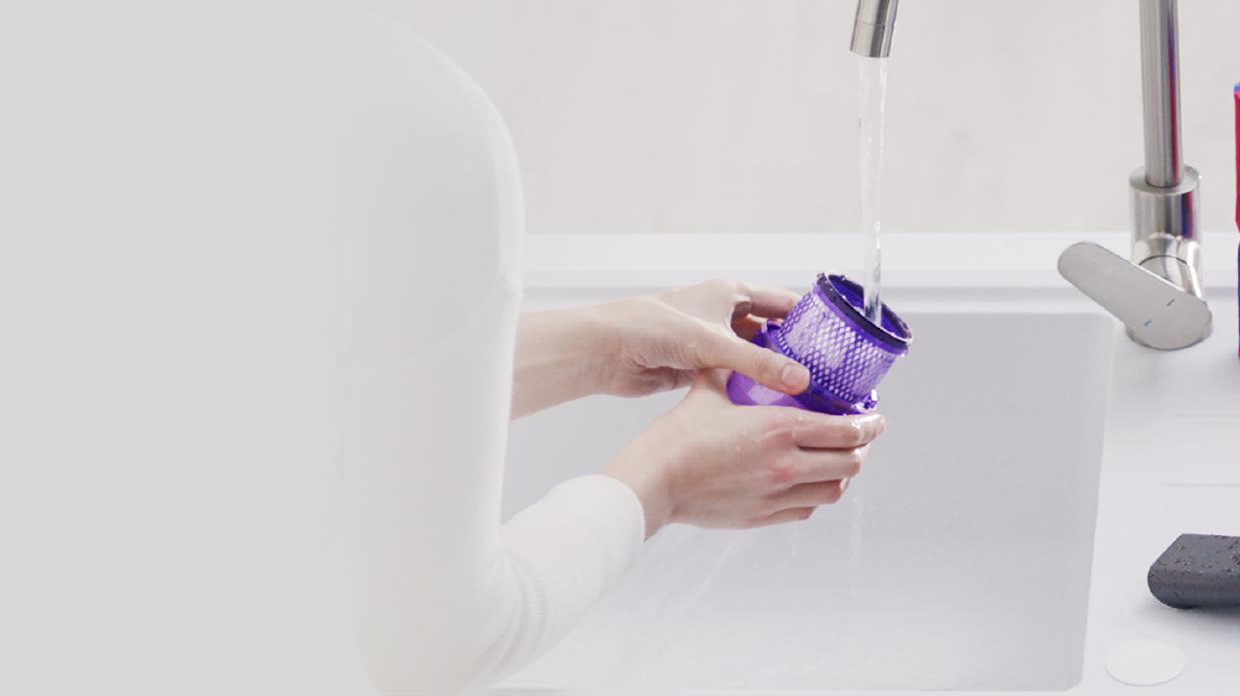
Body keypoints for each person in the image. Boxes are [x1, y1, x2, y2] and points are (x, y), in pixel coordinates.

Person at [345, 18, 885, 695]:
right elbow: (438, 647)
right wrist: (666, 480)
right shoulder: (413, 138)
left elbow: (315, 402)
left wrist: (600, 349)